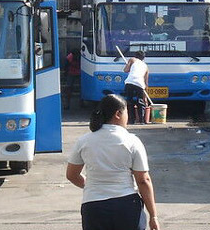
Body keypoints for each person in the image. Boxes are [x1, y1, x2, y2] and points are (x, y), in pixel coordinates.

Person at [66, 94, 160, 230]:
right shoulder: (132, 141)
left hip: (93, 207)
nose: (128, 117)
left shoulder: (84, 141)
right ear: (118, 114)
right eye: (127, 112)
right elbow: (143, 180)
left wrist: (93, 185)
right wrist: (153, 216)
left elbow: (72, 175)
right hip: (126, 206)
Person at [123, 50, 149, 124]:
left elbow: (125, 70)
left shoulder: (132, 60)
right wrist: (145, 98)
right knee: (140, 102)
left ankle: (131, 120)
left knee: (129, 101)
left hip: (129, 82)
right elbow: (146, 82)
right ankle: (142, 120)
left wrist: (129, 66)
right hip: (140, 84)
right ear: (143, 58)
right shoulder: (146, 66)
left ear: (135, 56)